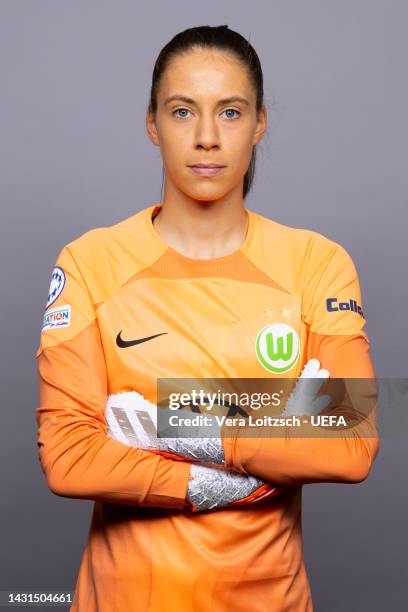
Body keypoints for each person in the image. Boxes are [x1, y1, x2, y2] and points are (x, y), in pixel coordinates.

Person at [35, 25, 380, 612]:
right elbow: (68, 458)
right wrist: (204, 481)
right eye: (181, 111)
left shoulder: (316, 263)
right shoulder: (90, 262)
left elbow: (351, 442)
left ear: (259, 123)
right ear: (152, 124)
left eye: (230, 111)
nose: (205, 138)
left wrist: (185, 428)